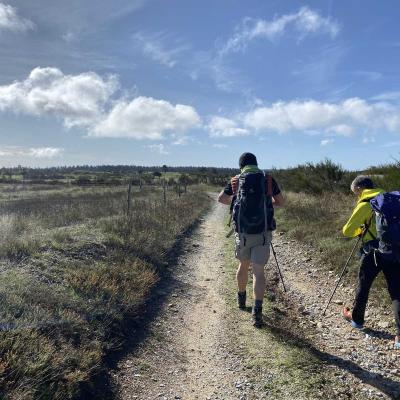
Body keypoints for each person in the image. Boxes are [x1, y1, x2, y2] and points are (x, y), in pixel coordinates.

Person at [218, 152, 284, 327]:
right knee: (258, 272)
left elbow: (221, 199)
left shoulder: (237, 180)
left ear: (241, 166)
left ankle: (241, 299)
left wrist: (235, 197)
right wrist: (267, 201)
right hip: (262, 232)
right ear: (256, 163)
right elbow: (280, 201)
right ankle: (257, 312)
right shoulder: (267, 179)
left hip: (243, 232)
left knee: (243, 266)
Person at [342, 175, 400, 349]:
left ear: (360, 188)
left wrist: (360, 230)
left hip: (373, 253)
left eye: (355, 193)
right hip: (395, 250)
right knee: (397, 291)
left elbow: (347, 230)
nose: (356, 197)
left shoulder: (365, 202)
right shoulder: (391, 198)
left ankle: (357, 320)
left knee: (364, 284)